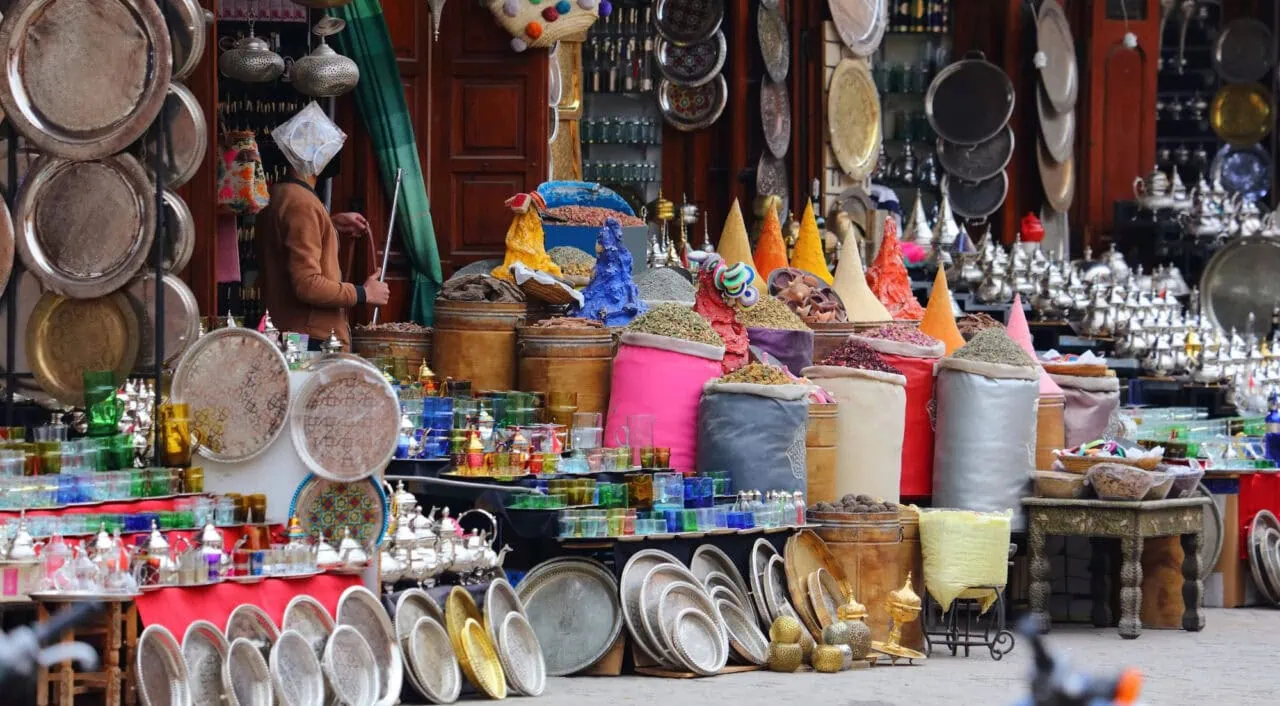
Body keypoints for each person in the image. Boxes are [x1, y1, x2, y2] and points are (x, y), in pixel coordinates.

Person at [256, 102, 390, 350]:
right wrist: (363, 293)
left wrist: (331, 224)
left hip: (297, 333)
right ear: (318, 154)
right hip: (309, 339)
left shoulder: (283, 195)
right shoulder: (302, 204)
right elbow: (307, 284)